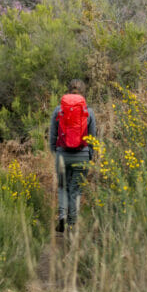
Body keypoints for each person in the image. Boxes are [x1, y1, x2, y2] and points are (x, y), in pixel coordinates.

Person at [49, 79, 96, 233]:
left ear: (68, 91)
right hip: (81, 156)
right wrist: (90, 155)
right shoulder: (88, 111)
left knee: (63, 187)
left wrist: (55, 152)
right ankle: (72, 224)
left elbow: (53, 136)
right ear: (83, 93)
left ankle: (62, 216)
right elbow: (92, 138)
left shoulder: (58, 110)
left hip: (62, 155)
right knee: (75, 190)